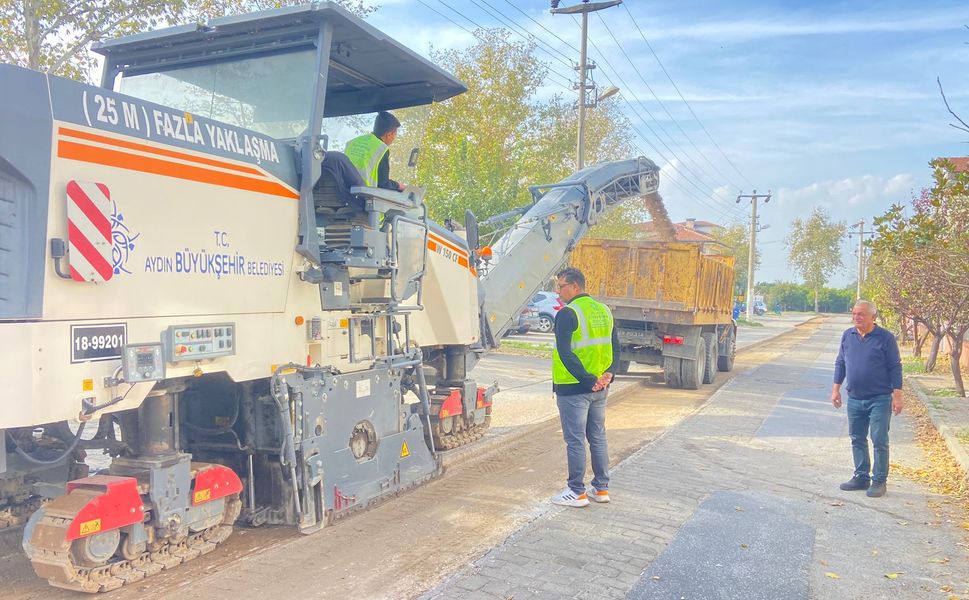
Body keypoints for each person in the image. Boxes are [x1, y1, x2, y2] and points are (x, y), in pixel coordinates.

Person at [549, 267, 621, 508]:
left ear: (575, 287)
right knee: (598, 437)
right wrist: (608, 374)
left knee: (576, 440)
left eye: (562, 286)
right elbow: (615, 347)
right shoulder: (604, 310)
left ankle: (576, 491)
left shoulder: (568, 313)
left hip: (574, 388)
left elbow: (565, 353)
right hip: (600, 388)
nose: (559, 291)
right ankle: (601, 489)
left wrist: (588, 380)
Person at [831, 299, 903, 498]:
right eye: (854, 314)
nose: (856, 317)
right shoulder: (848, 335)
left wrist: (897, 396)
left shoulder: (885, 338)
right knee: (857, 438)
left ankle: (879, 480)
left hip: (879, 399)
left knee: (879, 439)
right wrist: (835, 389)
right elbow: (840, 363)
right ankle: (861, 476)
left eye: (861, 314)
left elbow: (895, 367)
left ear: (873, 316)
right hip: (855, 398)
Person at [343, 111, 405, 191]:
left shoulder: (352, 142)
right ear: (389, 135)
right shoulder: (381, 148)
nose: (394, 138)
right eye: (395, 135)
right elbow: (383, 184)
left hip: (343, 193)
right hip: (363, 197)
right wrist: (399, 186)